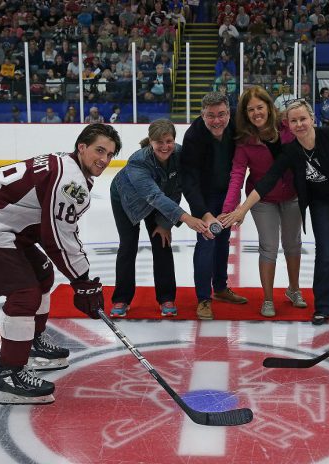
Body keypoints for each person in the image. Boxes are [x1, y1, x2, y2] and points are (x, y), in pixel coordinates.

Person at [0, 124, 122, 404]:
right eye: (99, 150)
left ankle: (32, 342)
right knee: (24, 294)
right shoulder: (71, 181)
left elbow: (51, 229)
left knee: (42, 274)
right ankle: (11, 374)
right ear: (82, 147)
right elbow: (58, 235)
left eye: (110, 154)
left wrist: (81, 280)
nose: (104, 159)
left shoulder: (65, 164)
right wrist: (83, 282)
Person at [221, 100, 329, 325]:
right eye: (294, 121)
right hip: (321, 200)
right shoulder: (292, 150)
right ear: (288, 125)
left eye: (303, 119)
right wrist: (241, 209)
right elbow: (267, 181)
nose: (299, 124)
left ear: (312, 119)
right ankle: (323, 307)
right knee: (324, 251)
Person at [110, 119, 209, 318]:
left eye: (169, 141)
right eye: (159, 142)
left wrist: (165, 224)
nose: (165, 147)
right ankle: (122, 298)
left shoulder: (180, 154)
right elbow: (153, 196)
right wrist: (187, 219)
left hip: (161, 202)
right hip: (127, 200)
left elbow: (176, 189)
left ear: (174, 140)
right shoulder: (138, 161)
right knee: (128, 245)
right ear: (151, 142)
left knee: (162, 243)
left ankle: (166, 298)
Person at [221, 86, 306, 317]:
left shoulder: (288, 127)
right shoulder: (245, 141)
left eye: (260, 107)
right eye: (250, 110)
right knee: (268, 246)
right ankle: (268, 298)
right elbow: (237, 174)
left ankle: (294, 289)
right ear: (245, 114)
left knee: (292, 243)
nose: (256, 113)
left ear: (269, 107)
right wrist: (230, 209)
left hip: (292, 196)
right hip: (263, 199)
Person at [181, 92, 249, 320]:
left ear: (229, 113)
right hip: (203, 196)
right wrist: (204, 214)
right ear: (202, 115)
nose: (217, 120)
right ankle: (203, 298)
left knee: (223, 241)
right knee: (207, 241)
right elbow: (188, 180)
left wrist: (233, 201)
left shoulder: (235, 128)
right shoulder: (194, 136)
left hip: (227, 194)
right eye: (211, 116)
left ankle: (220, 288)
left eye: (221, 114)